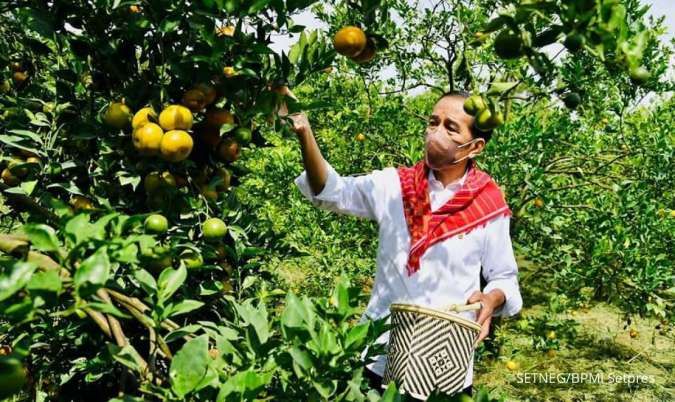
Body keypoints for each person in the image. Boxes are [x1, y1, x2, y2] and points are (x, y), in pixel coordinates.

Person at [280, 87, 523, 400]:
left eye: (450, 127)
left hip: (447, 359)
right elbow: (331, 191)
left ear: (474, 146)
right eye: (433, 122)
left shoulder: (489, 204)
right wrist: (303, 129)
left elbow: (504, 277)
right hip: (380, 354)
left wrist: (491, 301)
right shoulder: (395, 186)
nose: (436, 133)